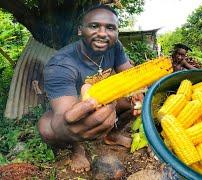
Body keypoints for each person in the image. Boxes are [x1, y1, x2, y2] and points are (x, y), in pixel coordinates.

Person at [38, 4, 142, 173]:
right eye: (94, 26)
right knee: (47, 128)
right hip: (76, 104)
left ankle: (112, 135)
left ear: (116, 32)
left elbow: (129, 73)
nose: (102, 33)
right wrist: (66, 126)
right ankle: (78, 149)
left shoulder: (115, 47)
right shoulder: (61, 64)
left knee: (133, 101)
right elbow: (64, 115)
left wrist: (137, 90)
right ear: (80, 30)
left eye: (110, 28)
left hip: (105, 100)